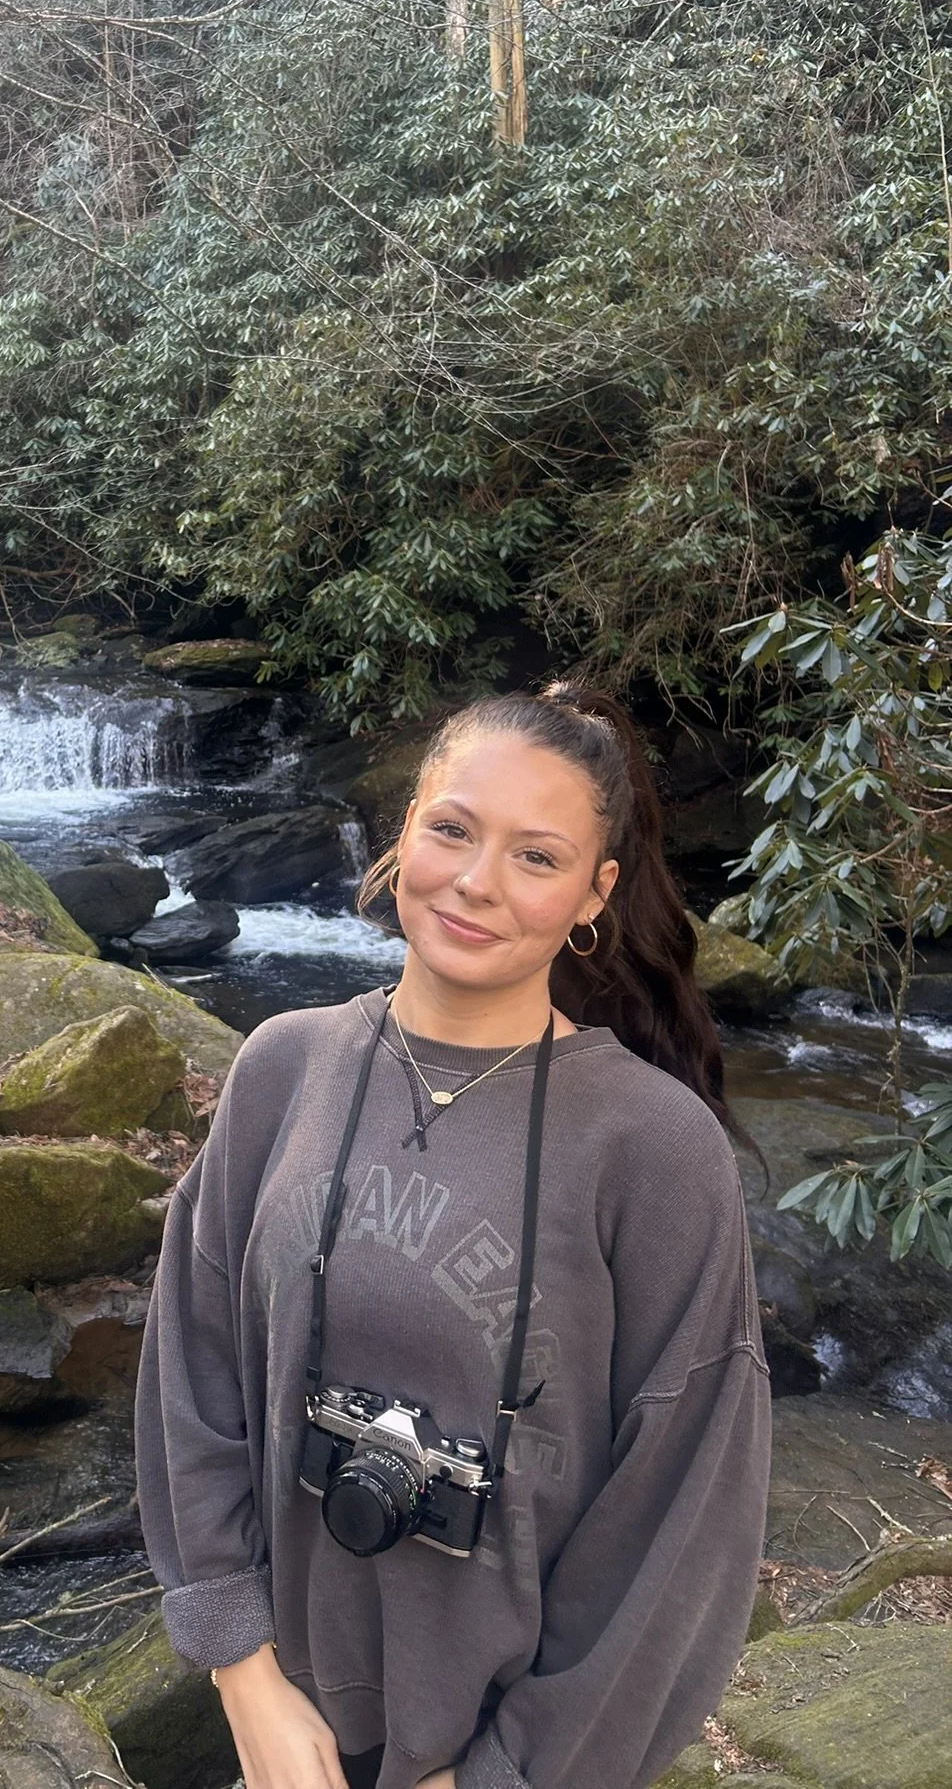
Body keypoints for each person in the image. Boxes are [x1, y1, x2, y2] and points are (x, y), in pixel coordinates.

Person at [135, 683, 771, 1789]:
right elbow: (192, 1374)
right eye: (453, 829)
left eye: (537, 855)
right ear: (405, 832)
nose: (478, 882)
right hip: (290, 1734)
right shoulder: (283, 1065)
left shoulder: (656, 1148)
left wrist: (504, 1771)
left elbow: (681, 1515)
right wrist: (242, 1671)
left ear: (594, 893)